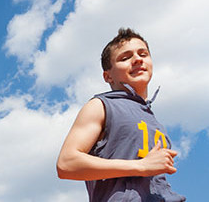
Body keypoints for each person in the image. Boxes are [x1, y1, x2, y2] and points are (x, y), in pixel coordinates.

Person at [56, 28, 185, 201]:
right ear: (107, 76)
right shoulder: (101, 105)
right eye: (125, 58)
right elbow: (67, 164)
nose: (138, 59)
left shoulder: (156, 122)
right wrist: (140, 166)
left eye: (143, 54)